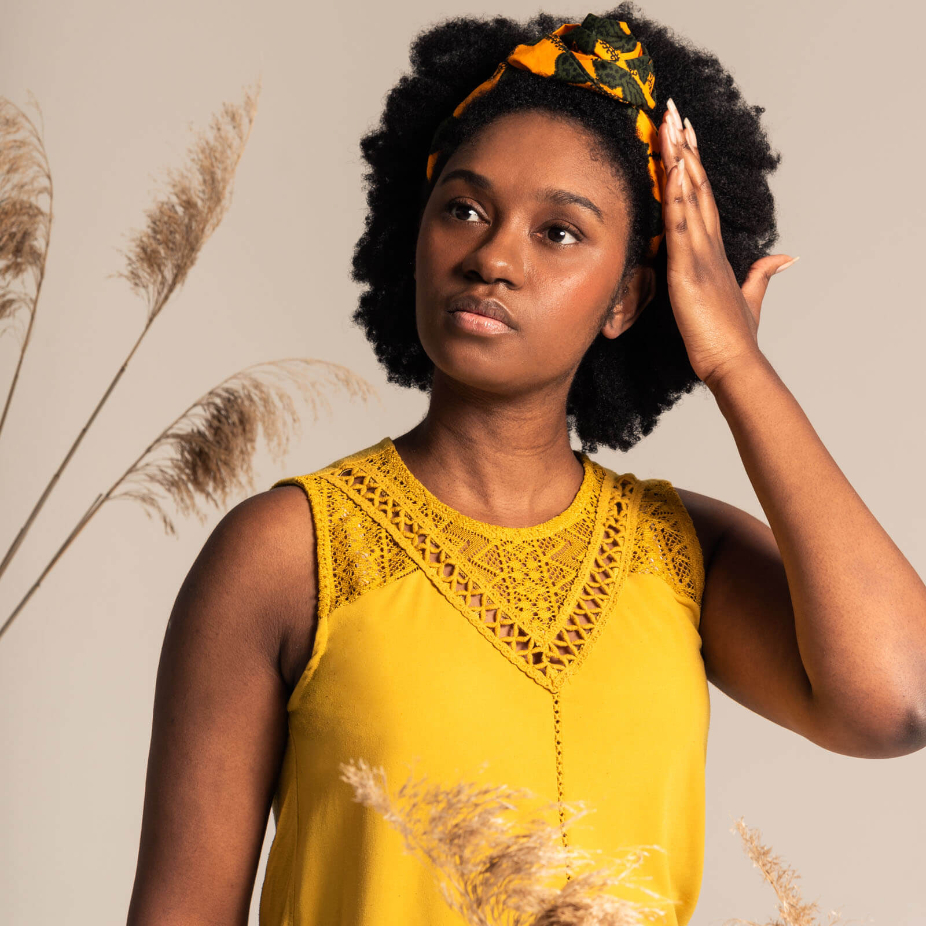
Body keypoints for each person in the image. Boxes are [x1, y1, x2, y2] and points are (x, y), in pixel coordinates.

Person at [125, 5, 926, 926]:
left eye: (559, 232)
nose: (494, 257)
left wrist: (736, 364)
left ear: (628, 298)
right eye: (464, 209)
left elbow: (900, 698)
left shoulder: (680, 556)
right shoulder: (284, 554)